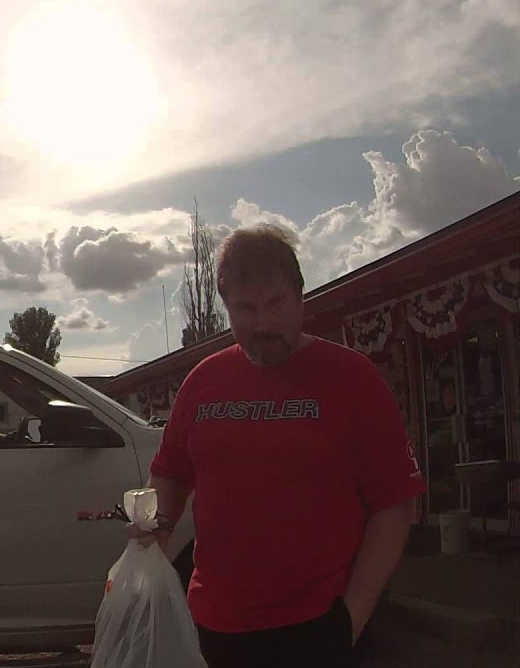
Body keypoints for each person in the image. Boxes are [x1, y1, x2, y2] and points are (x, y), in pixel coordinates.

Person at [134, 224, 426, 668]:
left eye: (276, 303)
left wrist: (350, 619)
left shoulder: (352, 379)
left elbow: (394, 506)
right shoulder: (203, 382)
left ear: (300, 297)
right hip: (213, 625)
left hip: (318, 624)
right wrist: (151, 532)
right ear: (227, 307)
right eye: (246, 308)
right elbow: (170, 474)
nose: (263, 323)